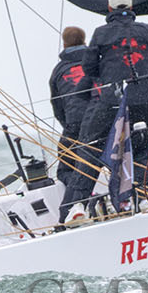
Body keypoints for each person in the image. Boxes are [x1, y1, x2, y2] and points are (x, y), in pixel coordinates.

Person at [60, 0, 148, 222]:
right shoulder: (146, 31)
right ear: (131, 8)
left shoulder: (101, 33)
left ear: (109, 8)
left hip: (110, 102)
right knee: (144, 147)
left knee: (90, 149)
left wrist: (107, 75)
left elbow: (89, 69)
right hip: (142, 100)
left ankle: (76, 207)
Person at [48, 27, 92, 186]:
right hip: (107, 119)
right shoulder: (98, 61)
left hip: (76, 123)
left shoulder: (58, 71)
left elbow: (57, 106)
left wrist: (69, 126)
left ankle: (80, 195)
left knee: (65, 170)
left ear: (64, 44)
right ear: (84, 41)